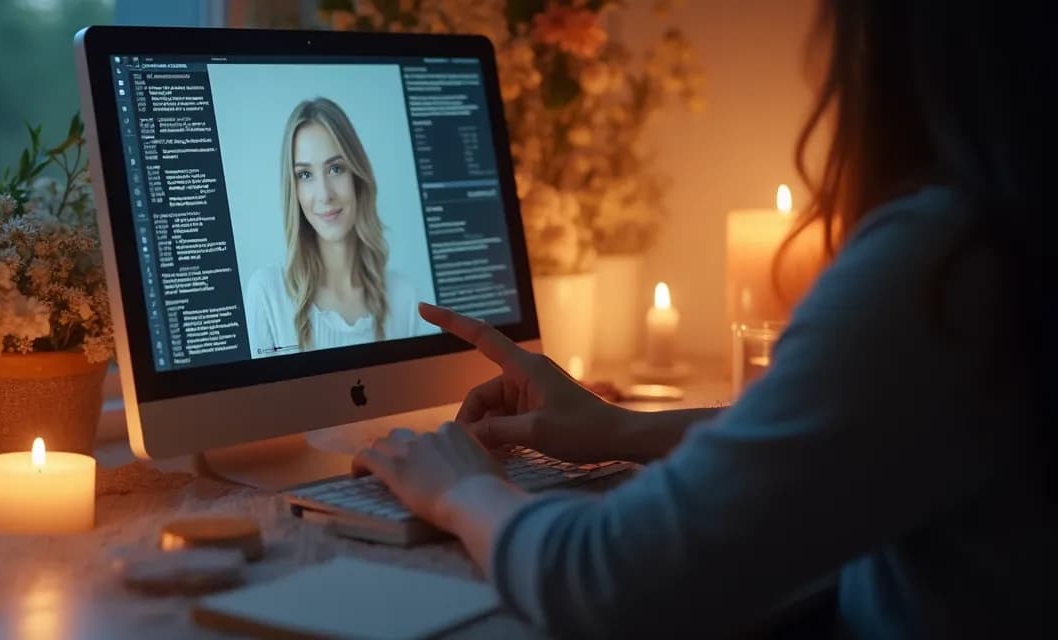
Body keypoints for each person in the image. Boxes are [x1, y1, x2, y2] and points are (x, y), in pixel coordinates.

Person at [352, 1, 1055, 637]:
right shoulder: (1008, 232)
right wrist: (620, 430)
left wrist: (462, 489)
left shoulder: (939, 267)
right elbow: (844, 440)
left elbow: (607, 579)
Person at [244, 97, 423, 358]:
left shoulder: (403, 296)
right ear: (294, 189)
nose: (324, 195)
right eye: (305, 175)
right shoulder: (267, 293)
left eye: (336, 169)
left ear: (357, 176)